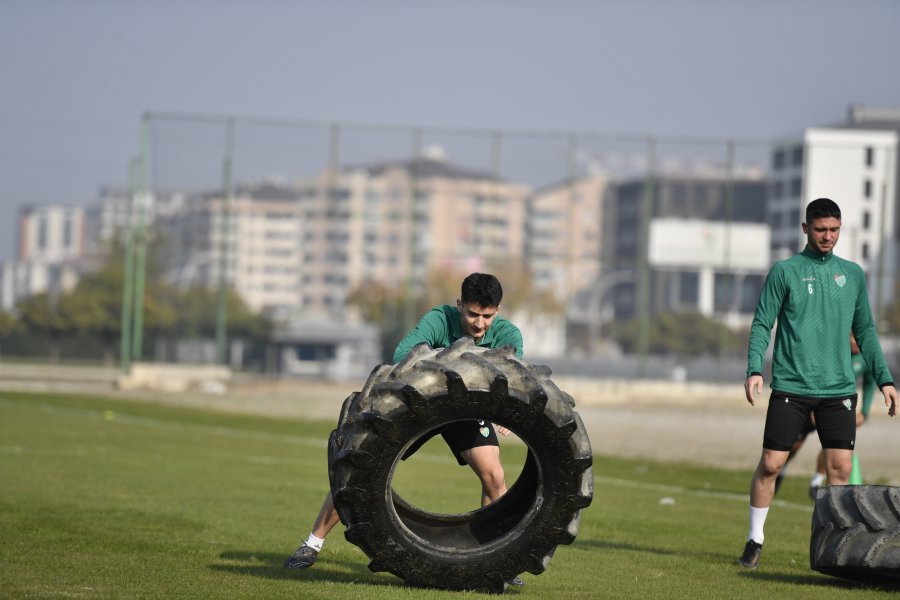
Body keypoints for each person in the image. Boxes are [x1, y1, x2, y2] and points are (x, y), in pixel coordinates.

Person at [284, 273, 526, 585]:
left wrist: (502, 412)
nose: (479, 324)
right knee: (360, 467)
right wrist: (454, 369)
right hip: (419, 406)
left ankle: (497, 561)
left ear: (498, 311)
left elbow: (512, 379)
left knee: (495, 476)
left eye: (487, 316)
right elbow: (402, 356)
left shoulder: (508, 336)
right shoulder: (439, 320)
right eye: (472, 314)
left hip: (467, 413)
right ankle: (311, 544)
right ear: (459, 305)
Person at [737, 198, 897, 570]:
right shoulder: (785, 271)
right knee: (771, 464)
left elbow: (866, 332)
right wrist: (754, 369)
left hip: (838, 392)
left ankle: (840, 550)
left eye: (835, 230)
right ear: (805, 227)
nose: (828, 236)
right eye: (821, 229)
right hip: (791, 388)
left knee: (839, 470)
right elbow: (763, 322)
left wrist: (885, 380)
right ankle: (754, 539)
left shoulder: (853, 274)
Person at [773, 332, 878, 499]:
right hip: (810, 403)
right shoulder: (833, 351)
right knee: (794, 445)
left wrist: (864, 412)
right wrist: (814, 407)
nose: (854, 342)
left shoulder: (866, 356)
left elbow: (870, 382)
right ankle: (780, 470)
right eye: (851, 338)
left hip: (836, 406)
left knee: (833, 446)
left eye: (857, 339)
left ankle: (816, 483)